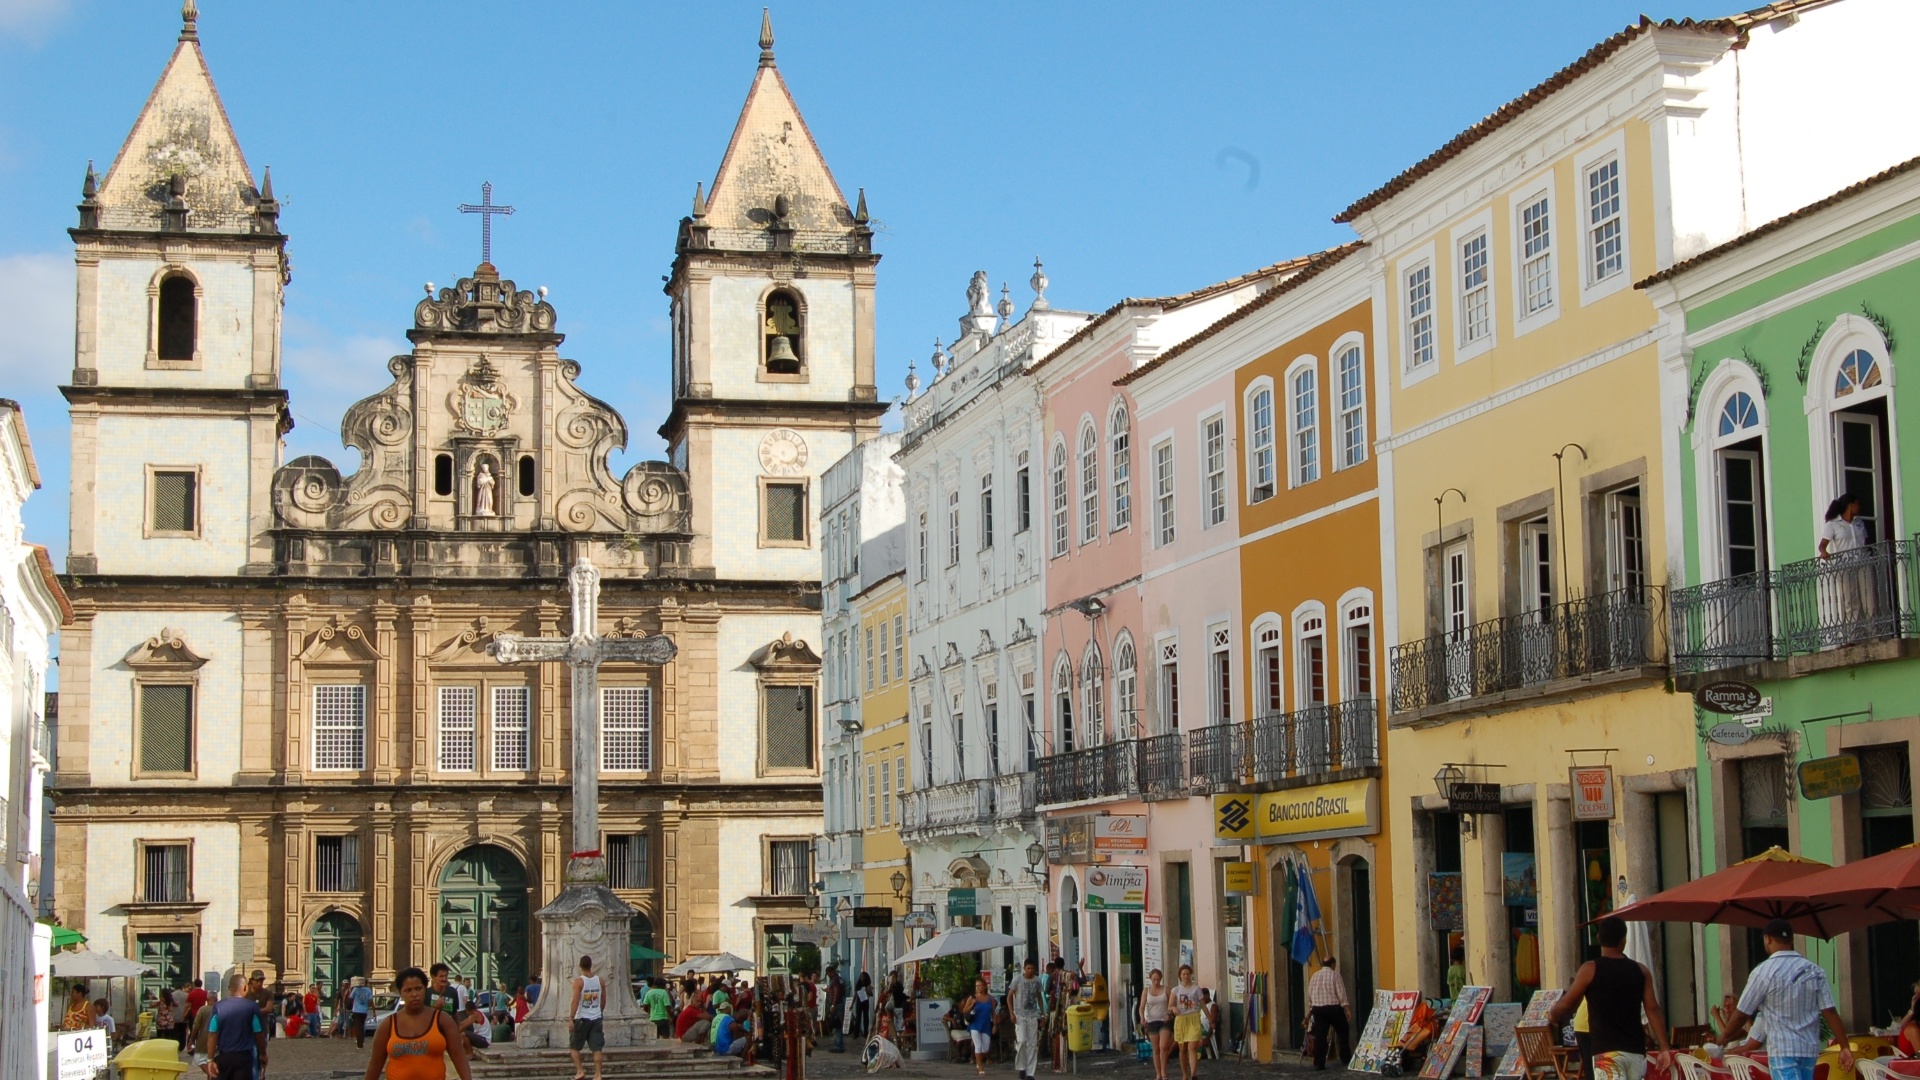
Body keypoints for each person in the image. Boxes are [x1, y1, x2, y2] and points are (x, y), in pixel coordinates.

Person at [1717, 918, 1855, 1080]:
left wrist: (1723, 1039)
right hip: (1808, 1049)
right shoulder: (1814, 970)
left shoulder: (1763, 972)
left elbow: (1742, 1014)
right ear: (1791, 939)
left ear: (1767, 939)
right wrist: (1844, 1047)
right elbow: (1830, 1011)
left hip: (1782, 1051)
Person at [1549, 916, 1673, 1080]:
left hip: (1606, 1052)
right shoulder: (1641, 970)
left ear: (1599, 938)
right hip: (1635, 1052)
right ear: (1624, 940)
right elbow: (1652, 1008)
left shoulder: (1590, 969)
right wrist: (1664, 1046)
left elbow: (1567, 1004)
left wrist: (1553, 1015)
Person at [363, 967, 472, 1080]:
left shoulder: (442, 1020)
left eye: (418, 988)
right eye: (408, 990)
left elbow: (459, 1058)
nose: (414, 994)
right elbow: (375, 1065)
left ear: (425, 989)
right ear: (400, 992)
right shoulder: (388, 1024)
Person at [202, 973, 267, 1080]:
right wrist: (263, 1054)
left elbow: (212, 1033)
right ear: (246, 987)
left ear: (229, 988)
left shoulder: (218, 1007)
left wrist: (210, 1059)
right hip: (244, 1057)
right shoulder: (252, 1007)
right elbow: (258, 1033)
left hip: (224, 1056)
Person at [1306, 956, 1352, 1070]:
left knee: (1320, 1036)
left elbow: (1309, 994)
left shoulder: (1315, 976)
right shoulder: (1335, 975)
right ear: (1333, 964)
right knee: (1343, 1031)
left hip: (1318, 1009)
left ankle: (1319, 1063)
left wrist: (1311, 1008)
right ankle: (1345, 1057)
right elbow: (1341, 993)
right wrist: (1346, 1008)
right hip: (1333, 1008)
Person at [1008, 957, 1046, 1080]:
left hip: (1033, 1015)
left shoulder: (1037, 981)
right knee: (1022, 1042)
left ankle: (1030, 1072)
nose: (1030, 971)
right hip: (1020, 1015)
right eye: (1028, 968)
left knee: (1032, 1044)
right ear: (1024, 969)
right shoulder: (1017, 980)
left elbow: (1039, 997)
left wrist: (1043, 1014)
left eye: (1032, 969)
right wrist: (1012, 1013)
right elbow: (1009, 997)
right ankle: (1021, 1067)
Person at [570, 954, 606, 1080]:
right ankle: (598, 1074)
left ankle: (580, 1071)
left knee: (574, 1047)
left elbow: (575, 1002)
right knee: (597, 1048)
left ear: (579, 966)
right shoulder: (600, 981)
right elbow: (603, 1000)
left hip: (582, 1018)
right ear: (592, 966)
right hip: (596, 1018)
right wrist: (599, 1012)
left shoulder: (579, 981)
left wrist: (570, 1018)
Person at [1137, 967, 1172, 1080]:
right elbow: (1141, 1006)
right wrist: (1142, 1018)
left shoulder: (1166, 989)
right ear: (1150, 979)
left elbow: (1172, 1003)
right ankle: (1158, 1073)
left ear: (1161, 979)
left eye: (1158, 980)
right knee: (1155, 1049)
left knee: (1163, 1046)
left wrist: (1170, 1014)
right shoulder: (1146, 991)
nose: (1156, 982)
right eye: (1154, 980)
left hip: (1164, 1020)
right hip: (1152, 1021)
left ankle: (1164, 1072)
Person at [1172, 965, 1204, 1080]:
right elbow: (1170, 1005)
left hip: (1193, 1018)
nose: (1186, 976)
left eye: (1188, 974)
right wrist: (1173, 1008)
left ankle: (1193, 1074)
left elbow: (1203, 1005)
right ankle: (1185, 1074)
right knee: (1183, 1048)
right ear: (1180, 976)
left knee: (1192, 1047)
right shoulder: (1176, 990)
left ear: (1191, 975)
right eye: (1184, 974)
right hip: (1181, 1020)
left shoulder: (1196, 989)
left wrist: (1210, 1019)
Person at [960, 977, 995, 1076]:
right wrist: (972, 1004)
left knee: (986, 1048)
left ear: (984, 986)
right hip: (975, 1024)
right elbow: (964, 1011)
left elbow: (993, 1013)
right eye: (976, 986)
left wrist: (995, 1025)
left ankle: (978, 1060)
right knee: (978, 1046)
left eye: (979, 985)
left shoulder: (990, 998)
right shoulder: (973, 998)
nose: (978, 988)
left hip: (986, 1025)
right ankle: (980, 1066)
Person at [346, 977, 375, 1049]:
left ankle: (360, 1044)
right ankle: (361, 1040)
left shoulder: (355, 989)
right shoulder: (368, 990)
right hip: (364, 1011)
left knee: (358, 1027)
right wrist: (374, 1011)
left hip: (356, 1011)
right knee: (362, 1026)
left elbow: (350, 998)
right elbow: (371, 1001)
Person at [825, 967, 847, 1053]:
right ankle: (838, 1043)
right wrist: (829, 990)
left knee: (836, 1024)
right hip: (839, 1003)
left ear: (830, 972)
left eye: (828, 974)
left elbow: (837, 991)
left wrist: (833, 1004)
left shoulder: (834, 979)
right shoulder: (840, 979)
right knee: (837, 1024)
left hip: (836, 1004)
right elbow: (837, 990)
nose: (828, 976)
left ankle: (838, 1045)